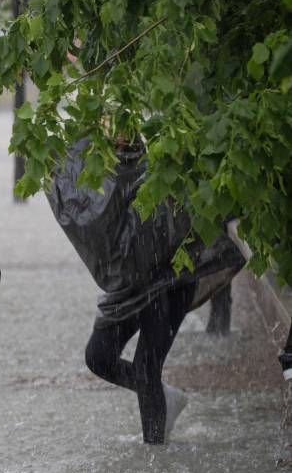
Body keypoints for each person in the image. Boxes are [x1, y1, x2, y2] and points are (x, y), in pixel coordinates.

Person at [48, 137, 245, 444]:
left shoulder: (160, 160)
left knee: (146, 365)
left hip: (172, 276)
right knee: (98, 357)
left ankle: (154, 455)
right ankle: (164, 400)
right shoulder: (102, 169)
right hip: (131, 281)